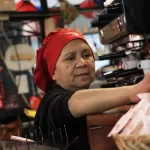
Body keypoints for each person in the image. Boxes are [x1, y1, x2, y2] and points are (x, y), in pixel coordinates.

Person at [34, 28, 150, 150]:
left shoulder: (80, 100)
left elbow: (103, 107)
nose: (82, 63)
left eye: (86, 55)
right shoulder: (51, 102)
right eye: (70, 58)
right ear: (53, 72)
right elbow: (74, 102)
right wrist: (134, 91)